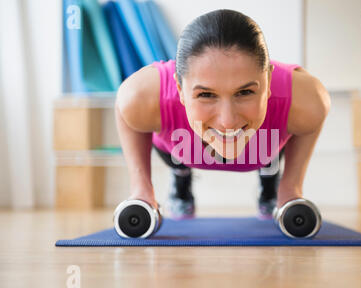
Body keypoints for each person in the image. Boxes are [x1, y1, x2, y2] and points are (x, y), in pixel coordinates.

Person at [115, 9, 330, 220]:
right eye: (206, 95)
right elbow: (124, 113)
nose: (227, 121)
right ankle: (181, 177)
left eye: (245, 92)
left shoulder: (306, 100)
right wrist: (141, 189)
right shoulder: (142, 96)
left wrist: (290, 188)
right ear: (180, 90)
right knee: (179, 158)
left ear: (268, 82)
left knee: (268, 154)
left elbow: (312, 119)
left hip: (265, 151)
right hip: (179, 150)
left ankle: (270, 183)